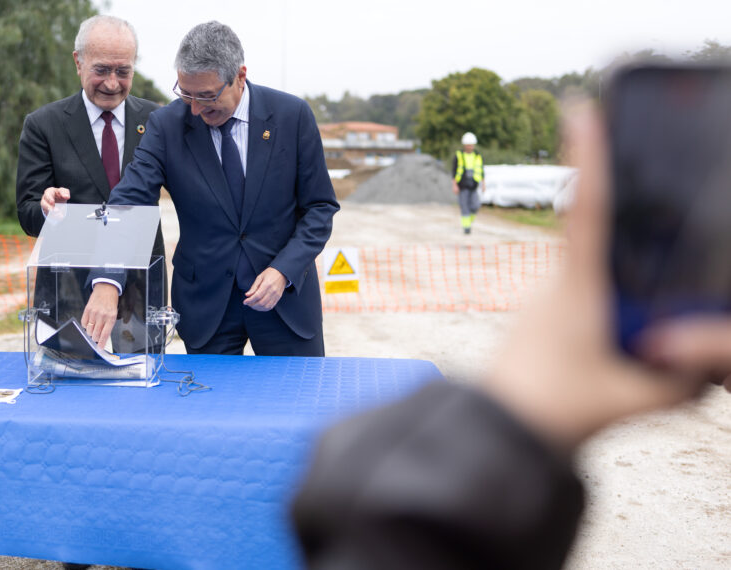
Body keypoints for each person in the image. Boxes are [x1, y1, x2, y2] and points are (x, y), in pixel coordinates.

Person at [291, 105, 724, 569]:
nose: (473, 149)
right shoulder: (463, 158)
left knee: (474, 206)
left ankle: (471, 221)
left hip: (482, 193)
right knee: (466, 207)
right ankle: (465, 224)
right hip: (469, 190)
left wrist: (517, 418)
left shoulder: (476, 160)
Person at [73, 21, 339, 357]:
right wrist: (107, 281)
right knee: (211, 407)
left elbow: (319, 208)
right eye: (186, 94)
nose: (196, 109)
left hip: (283, 302)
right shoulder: (166, 125)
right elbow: (129, 202)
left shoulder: (292, 117)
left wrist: (283, 270)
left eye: (207, 96)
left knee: (297, 404)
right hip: (207, 308)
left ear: (239, 76)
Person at [17, 15, 165, 354]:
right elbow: (27, 213)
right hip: (68, 292)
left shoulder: (156, 122)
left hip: (141, 291)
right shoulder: (44, 125)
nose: (112, 83)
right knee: (71, 401)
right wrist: (47, 208)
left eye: (123, 71)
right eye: (102, 70)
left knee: (141, 399)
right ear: (78, 62)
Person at [452, 131, 485, 234]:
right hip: (462, 186)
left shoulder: (477, 156)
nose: (470, 147)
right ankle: (466, 228)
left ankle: (469, 222)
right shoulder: (459, 155)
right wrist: (454, 185)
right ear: (465, 145)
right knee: (464, 206)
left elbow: (481, 170)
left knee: (475, 206)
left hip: (473, 185)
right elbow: (454, 171)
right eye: (468, 145)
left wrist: (483, 183)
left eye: (471, 145)